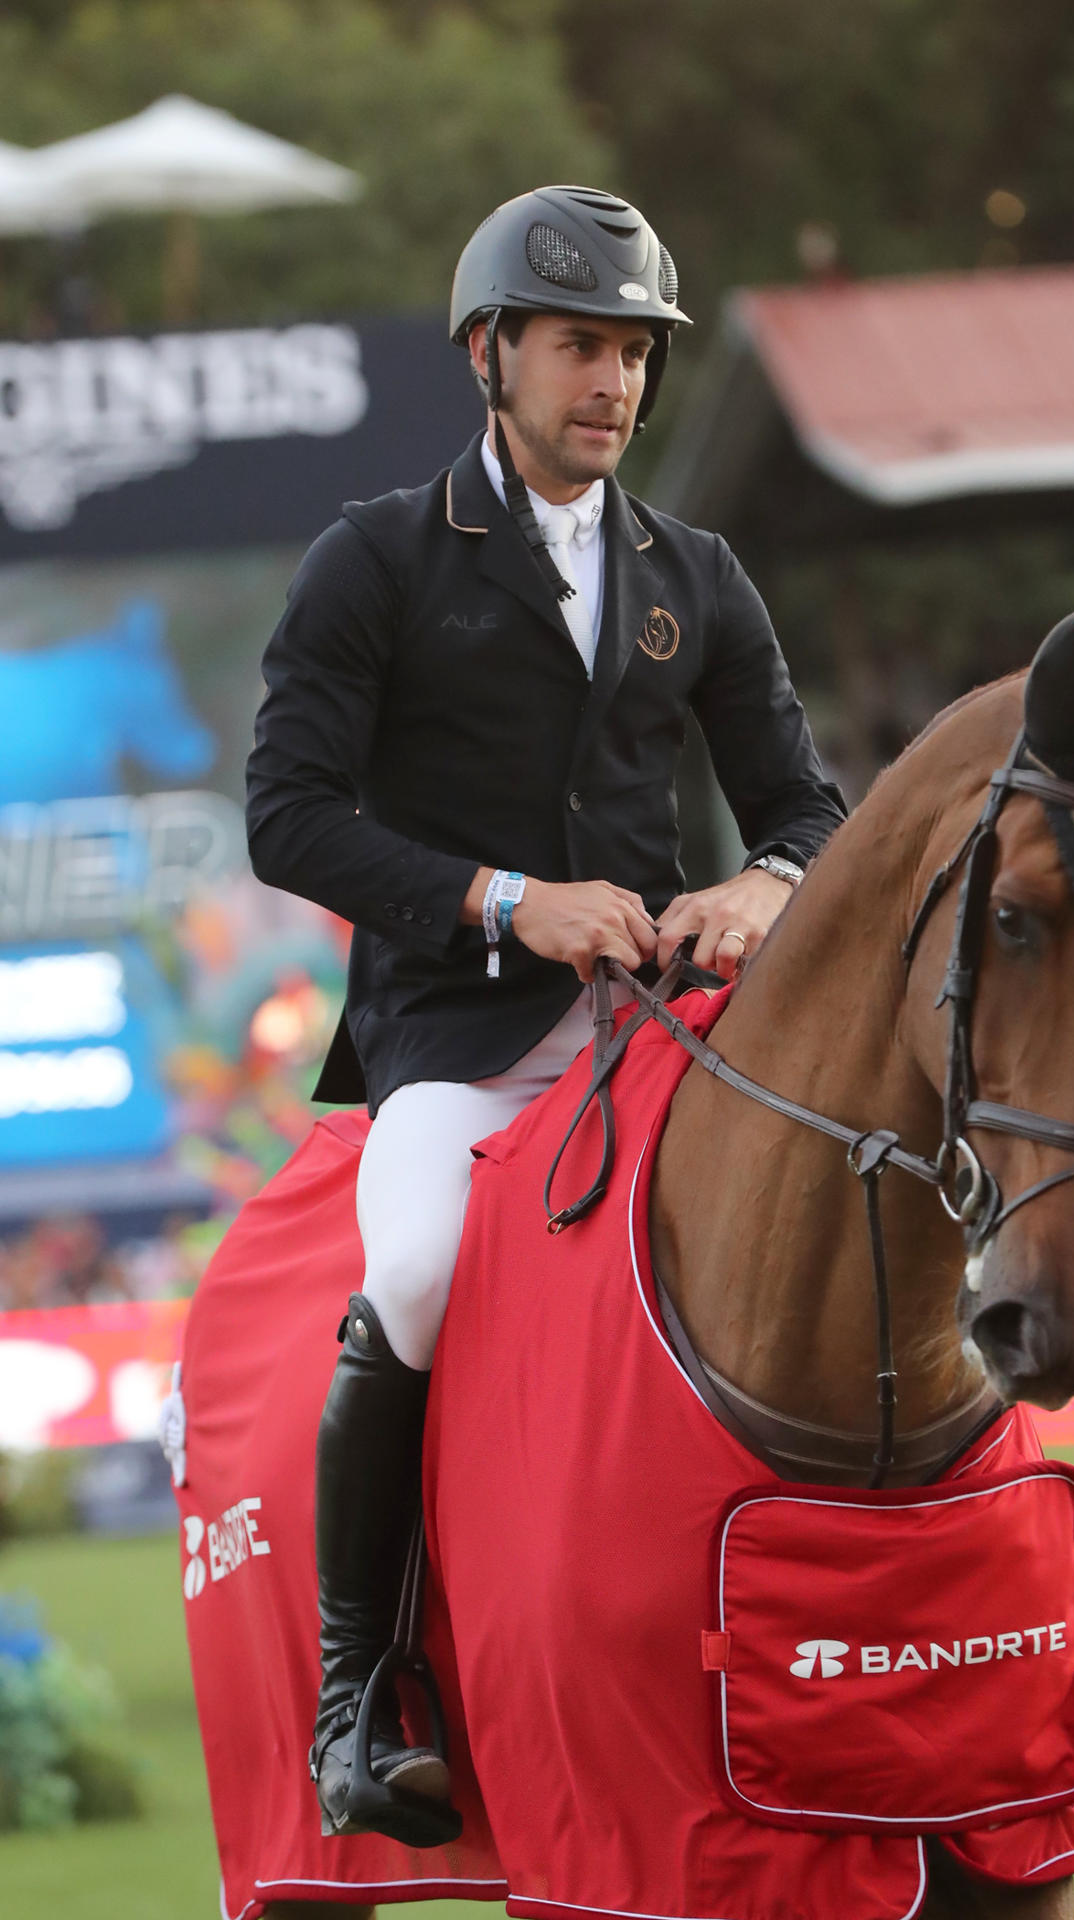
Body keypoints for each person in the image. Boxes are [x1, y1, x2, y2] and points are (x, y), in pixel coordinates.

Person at [245, 184, 846, 1847]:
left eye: (637, 353)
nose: (616, 384)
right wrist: (508, 900)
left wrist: (762, 893)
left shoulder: (695, 574)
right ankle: (357, 1703)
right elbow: (285, 821)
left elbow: (807, 807)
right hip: (455, 1033)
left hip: (656, 1024)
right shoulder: (370, 558)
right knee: (423, 1266)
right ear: (489, 352)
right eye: (580, 346)